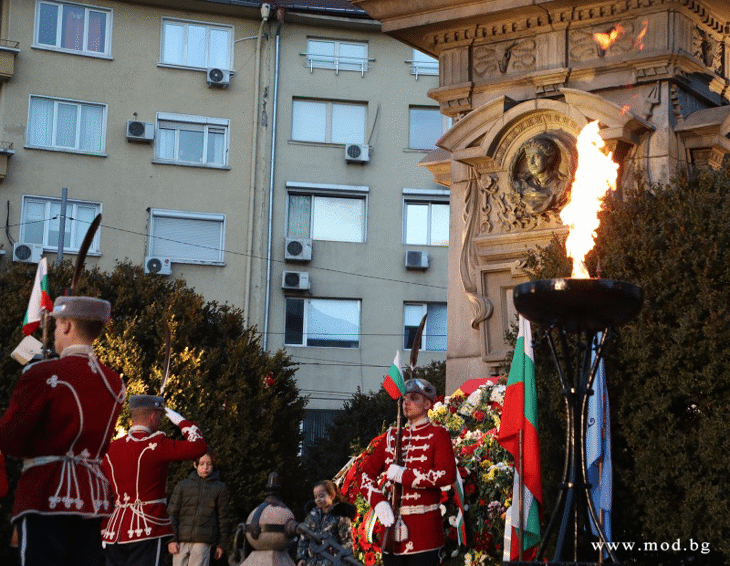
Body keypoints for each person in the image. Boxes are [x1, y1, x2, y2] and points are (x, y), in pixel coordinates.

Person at [0, 295, 126, 566]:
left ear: (66, 326)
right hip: (91, 498)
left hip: (45, 492)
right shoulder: (113, 382)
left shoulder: (42, 373)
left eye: (56, 325)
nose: (55, 332)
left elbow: (10, 439)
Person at [359, 378, 456, 566]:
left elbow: (447, 474)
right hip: (391, 533)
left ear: (428, 404)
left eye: (413, 398)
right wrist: (378, 503)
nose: (406, 403)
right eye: (404, 399)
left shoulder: (438, 434)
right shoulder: (391, 437)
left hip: (425, 534)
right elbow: (364, 475)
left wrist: (404, 475)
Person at [102, 395, 207, 566]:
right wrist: (180, 421)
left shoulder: (111, 449)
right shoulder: (156, 444)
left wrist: (103, 529)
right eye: (159, 416)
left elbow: (102, 493)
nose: (159, 421)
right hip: (146, 527)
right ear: (152, 417)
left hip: (114, 532)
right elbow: (199, 446)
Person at [167, 449, 231, 566]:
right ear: (195, 465)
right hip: (181, 540)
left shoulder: (220, 488)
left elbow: (223, 518)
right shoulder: (183, 485)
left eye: (209, 464)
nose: (205, 467)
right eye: (202, 464)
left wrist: (221, 545)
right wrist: (172, 540)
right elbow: (171, 513)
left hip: (203, 541)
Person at [297, 480, 356, 566]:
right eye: (315, 497)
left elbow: (347, 543)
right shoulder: (312, 515)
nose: (318, 500)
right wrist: (302, 557)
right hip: (312, 562)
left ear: (332, 495)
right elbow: (304, 538)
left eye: (321, 496)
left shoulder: (340, 516)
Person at [514, 136, 568, 214]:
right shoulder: (522, 186)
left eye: (536, 156)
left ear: (549, 159)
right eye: (528, 158)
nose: (531, 162)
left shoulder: (561, 185)